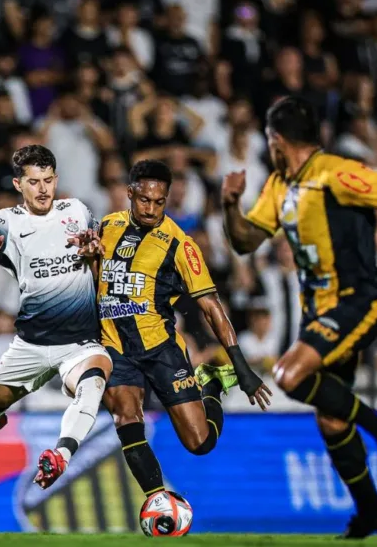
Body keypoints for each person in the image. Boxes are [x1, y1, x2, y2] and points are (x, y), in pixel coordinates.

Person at [220, 96, 377, 538]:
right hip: (318, 313)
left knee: (288, 374)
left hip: (356, 301)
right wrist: (231, 206)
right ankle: (371, 511)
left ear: (276, 140)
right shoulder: (279, 185)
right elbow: (246, 242)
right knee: (331, 416)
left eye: (269, 141)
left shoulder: (334, 174)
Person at [76, 159, 271, 504]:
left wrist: (240, 367)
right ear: (130, 193)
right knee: (125, 416)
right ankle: (158, 500)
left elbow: (211, 306)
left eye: (159, 202)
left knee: (200, 443)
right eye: (144, 200)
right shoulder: (105, 227)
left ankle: (210, 382)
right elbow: (94, 281)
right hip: (115, 348)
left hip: (160, 348)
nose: (151, 209)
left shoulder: (181, 244)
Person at [0, 144, 112, 490]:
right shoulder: (6, 222)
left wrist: (93, 251)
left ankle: (61, 455)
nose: (43, 189)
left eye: (49, 180)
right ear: (18, 184)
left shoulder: (78, 211)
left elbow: (98, 259)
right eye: (34, 181)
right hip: (32, 344)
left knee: (94, 381)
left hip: (80, 341)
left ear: (56, 180)